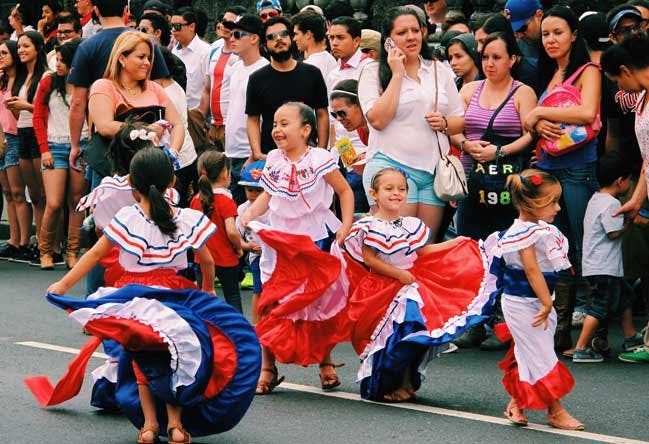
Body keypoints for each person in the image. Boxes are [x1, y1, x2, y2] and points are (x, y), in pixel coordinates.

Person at [44, 147, 217, 444]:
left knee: (142, 358)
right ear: (171, 182)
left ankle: (149, 426)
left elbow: (96, 254)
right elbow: (207, 260)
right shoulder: (186, 217)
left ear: (133, 186)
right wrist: (208, 291)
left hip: (135, 300)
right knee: (176, 355)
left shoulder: (128, 217)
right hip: (175, 298)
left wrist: (62, 285)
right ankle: (175, 424)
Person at [343, 167, 494, 402]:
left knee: (413, 335)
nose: (396, 193)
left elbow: (422, 251)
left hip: (411, 285)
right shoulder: (369, 225)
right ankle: (388, 383)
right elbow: (370, 259)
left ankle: (403, 381)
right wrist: (397, 273)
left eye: (401, 189)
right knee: (394, 339)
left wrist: (455, 243)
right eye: (389, 189)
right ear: (374, 193)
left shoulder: (411, 224)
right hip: (382, 288)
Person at [239, 102, 353, 394]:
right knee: (269, 301)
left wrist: (345, 224)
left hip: (313, 237)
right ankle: (268, 366)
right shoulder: (274, 159)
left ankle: (325, 362)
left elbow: (344, 190)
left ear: (305, 130)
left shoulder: (320, 158)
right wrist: (250, 214)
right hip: (278, 241)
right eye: (275, 124)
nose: (277, 130)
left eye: (284, 123)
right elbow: (267, 194)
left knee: (318, 301)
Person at [524, 6, 601, 352]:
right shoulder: (548, 73)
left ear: (574, 35)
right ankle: (562, 324)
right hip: (548, 165)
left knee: (585, 244)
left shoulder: (588, 70)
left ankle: (593, 322)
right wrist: (536, 122)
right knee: (557, 246)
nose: (551, 40)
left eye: (558, 33)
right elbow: (533, 122)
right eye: (546, 34)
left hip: (579, 166)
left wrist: (539, 112)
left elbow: (586, 113)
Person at [483, 169, 583, 431]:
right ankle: (556, 411)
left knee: (529, 353)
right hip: (523, 303)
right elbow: (531, 270)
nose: (558, 208)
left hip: (537, 301)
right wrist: (547, 302)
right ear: (531, 203)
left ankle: (516, 403)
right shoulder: (522, 233)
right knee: (542, 356)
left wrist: (546, 301)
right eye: (552, 202)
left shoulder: (539, 230)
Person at [358, 6, 464, 239]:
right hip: (390, 167)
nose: (411, 37)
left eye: (415, 30)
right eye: (402, 32)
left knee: (424, 247)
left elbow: (460, 120)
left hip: (432, 172)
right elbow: (377, 120)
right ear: (388, 40)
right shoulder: (372, 71)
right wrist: (397, 74)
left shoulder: (438, 69)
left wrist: (445, 122)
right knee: (396, 248)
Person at [68, 0, 170, 184]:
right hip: (145, 147)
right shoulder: (147, 42)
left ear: (96, 11)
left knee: (105, 205)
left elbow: (78, 102)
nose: (145, 62)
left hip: (108, 145)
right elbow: (158, 90)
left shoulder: (87, 46)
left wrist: (75, 145)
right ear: (125, 10)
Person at [602, 35, 649, 363]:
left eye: (617, 79)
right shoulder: (642, 98)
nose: (619, 86)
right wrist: (637, 197)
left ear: (624, 69)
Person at [572, 154, 641, 363]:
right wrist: (628, 223)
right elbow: (613, 232)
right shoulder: (611, 203)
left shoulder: (595, 198)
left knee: (625, 298)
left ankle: (630, 336)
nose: (630, 184)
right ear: (620, 181)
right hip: (604, 267)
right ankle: (581, 348)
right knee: (599, 307)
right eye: (629, 179)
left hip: (598, 266)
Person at [32, 39, 86, 270]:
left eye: (64, 61)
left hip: (81, 144)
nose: (59, 65)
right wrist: (44, 149)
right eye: (58, 60)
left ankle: (72, 251)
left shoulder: (87, 85)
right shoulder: (49, 82)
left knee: (76, 202)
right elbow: (38, 116)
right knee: (53, 203)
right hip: (54, 145)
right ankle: (46, 251)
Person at [245, 16, 329, 161]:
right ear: (265, 46)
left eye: (283, 34)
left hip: (308, 156)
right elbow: (253, 118)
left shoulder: (312, 73)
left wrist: (320, 151)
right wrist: (257, 153)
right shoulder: (256, 79)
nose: (278, 39)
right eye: (271, 37)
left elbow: (322, 113)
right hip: (270, 157)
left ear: (291, 39)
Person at [88, 31, 184, 157]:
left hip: (148, 166)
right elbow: (105, 127)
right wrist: (146, 130)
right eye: (141, 57)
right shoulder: (103, 86)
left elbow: (177, 124)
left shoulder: (155, 88)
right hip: (111, 167)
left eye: (149, 58)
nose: (147, 63)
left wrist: (173, 152)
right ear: (122, 58)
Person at [7, 31, 48, 265]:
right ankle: (39, 244)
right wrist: (14, 107)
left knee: (44, 193)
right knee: (33, 194)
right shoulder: (23, 76)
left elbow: (47, 110)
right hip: (22, 132)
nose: (21, 50)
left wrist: (26, 106)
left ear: (38, 48)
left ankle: (48, 245)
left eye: (26, 46)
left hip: (38, 132)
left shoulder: (46, 75)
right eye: (20, 46)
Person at [223, 14, 268, 204]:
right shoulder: (236, 67)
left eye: (237, 34)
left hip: (251, 153)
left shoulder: (265, 70)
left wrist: (254, 152)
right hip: (231, 150)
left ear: (254, 38)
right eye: (231, 34)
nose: (231, 39)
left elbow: (265, 117)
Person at [191, 151, 243, 313]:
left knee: (204, 296)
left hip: (202, 258)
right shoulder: (226, 201)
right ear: (225, 174)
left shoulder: (195, 200)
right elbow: (232, 232)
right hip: (226, 258)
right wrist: (239, 247)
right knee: (232, 295)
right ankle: (238, 328)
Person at [154, 47, 197, 207]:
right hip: (185, 155)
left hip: (176, 158)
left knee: (174, 205)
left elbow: (170, 127)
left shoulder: (166, 93)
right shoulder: (173, 85)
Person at [197, 7, 243, 148]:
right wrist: (201, 120)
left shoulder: (242, 55)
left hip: (232, 126)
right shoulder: (213, 52)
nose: (224, 26)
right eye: (223, 21)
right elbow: (207, 89)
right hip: (213, 125)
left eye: (230, 24)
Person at [236, 160, 267, 325]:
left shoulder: (275, 206)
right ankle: (257, 324)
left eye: (258, 190)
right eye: (249, 190)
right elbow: (237, 236)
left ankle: (273, 322)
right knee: (258, 291)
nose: (254, 194)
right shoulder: (242, 209)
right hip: (257, 258)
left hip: (276, 256)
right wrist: (247, 246)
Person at [0, 39, 22, 261]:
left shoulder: (21, 81)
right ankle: (13, 240)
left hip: (16, 137)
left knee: (18, 192)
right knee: (8, 193)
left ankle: (23, 241)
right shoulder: (2, 80)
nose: (0, 56)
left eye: (4, 52)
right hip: (1, 138)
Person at [171, 7, 211, 110]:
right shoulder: (174, 52)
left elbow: (209, 88)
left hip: (197, 114)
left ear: (192, 26)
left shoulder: (206, 52)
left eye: (178, 26)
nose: (173, 30)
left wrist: (201, 116)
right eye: (171, 26)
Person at [292, 10, 338, 80]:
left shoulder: (306, 67)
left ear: (308, 34)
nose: (294, 39)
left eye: (296, 34)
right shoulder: (331, 59)